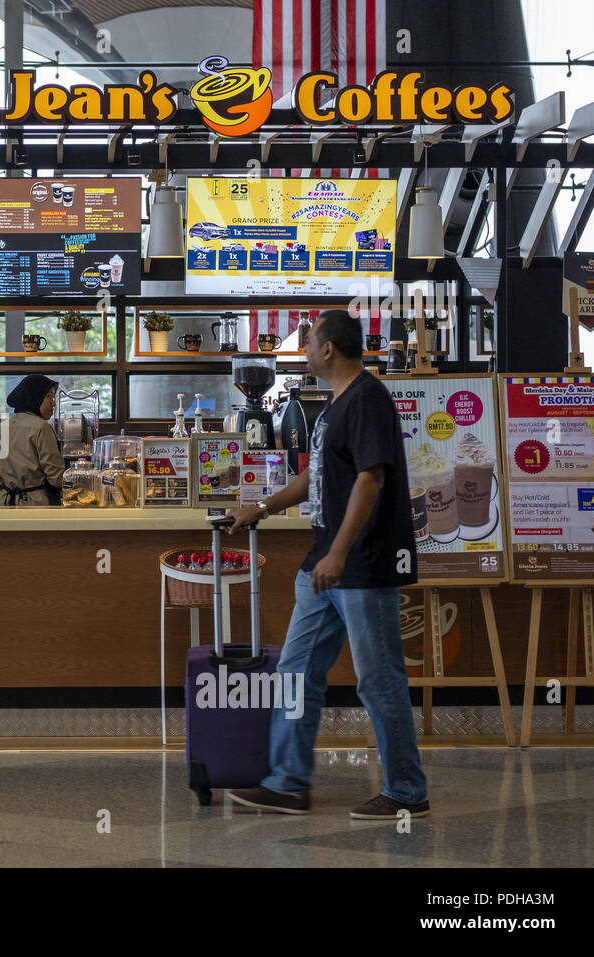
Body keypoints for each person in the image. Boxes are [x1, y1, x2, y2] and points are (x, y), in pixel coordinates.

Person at [223, 310, 428, 820]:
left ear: (329, 348)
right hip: (323, 567)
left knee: (378, 680)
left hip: (362, 564)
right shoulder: (333, 406)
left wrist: (338, 550)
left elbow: (370, 479)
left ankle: (407, 791)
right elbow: (313, 478)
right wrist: (262, 508)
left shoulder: (368, 399)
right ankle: (289, 782)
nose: (305, 349)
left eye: (309, 341)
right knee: (295, 674)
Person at [0, 374, 65, 506]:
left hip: (4, 503)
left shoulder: (0, 428)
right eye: (48, 396)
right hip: (34, 504)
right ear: (34, 397)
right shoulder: (41, 428)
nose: (53, 403)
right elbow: (56, 478)